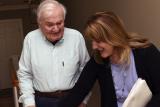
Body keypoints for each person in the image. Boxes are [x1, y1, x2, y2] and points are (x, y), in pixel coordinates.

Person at [59, 11, 160, 107]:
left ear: (113, 36)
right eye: (92, 41)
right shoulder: (97, 60)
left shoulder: (146, 53)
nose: (94, 47)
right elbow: (79, 91)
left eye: (98, 40)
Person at [17, 0, 90, 107]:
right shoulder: (30, 39)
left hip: (73, 98)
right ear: (40, 23)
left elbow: (86, 71)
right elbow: (24, 73)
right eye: (50, 24)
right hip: (42, 101)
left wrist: (84, 99)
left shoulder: (76, 37)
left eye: (59, 23)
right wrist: (29, 103)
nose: (56, 29)